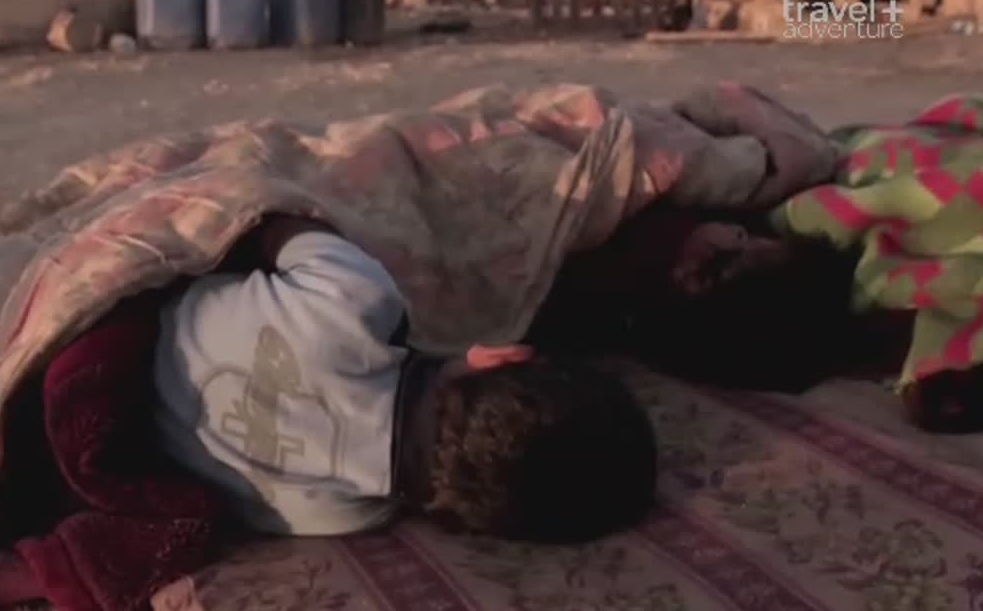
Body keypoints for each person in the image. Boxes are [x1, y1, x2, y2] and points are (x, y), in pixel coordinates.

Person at [153, 215, 658, 543]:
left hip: (151, 304)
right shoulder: (339, 517)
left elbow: (269, 216)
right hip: (144, 407)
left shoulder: (356, 299)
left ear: (501, 357)